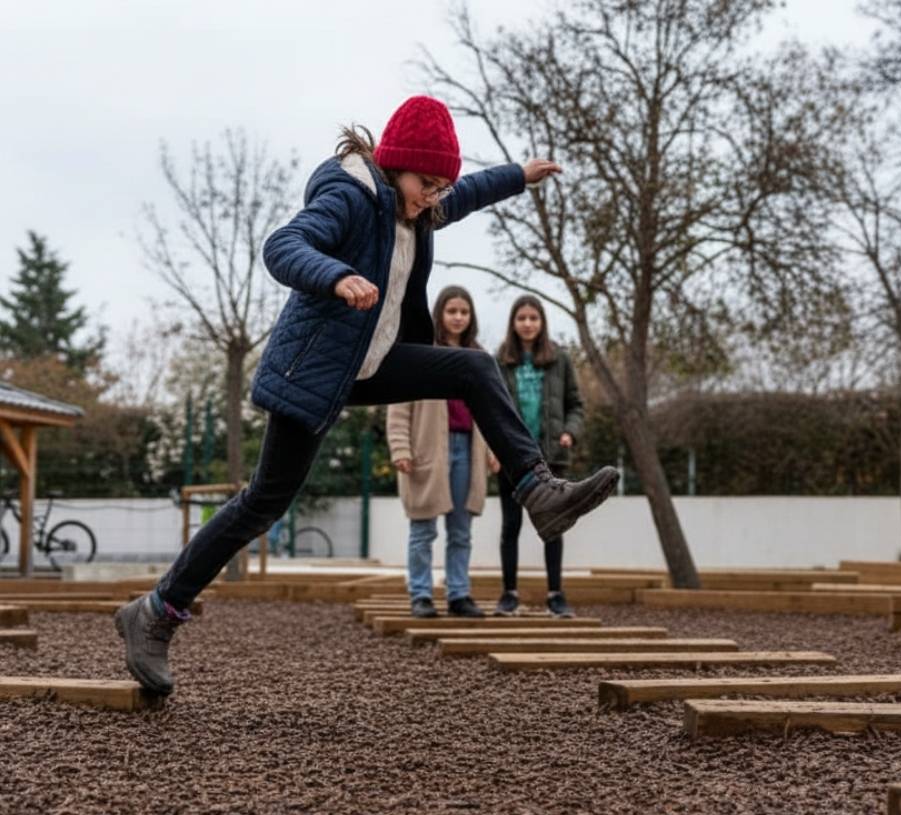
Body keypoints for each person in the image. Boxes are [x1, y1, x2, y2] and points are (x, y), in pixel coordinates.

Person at [115, 96, 619, 695]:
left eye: (439, 188)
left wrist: (519, 176)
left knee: (473, 367)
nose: (433, 198)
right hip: (317, 370)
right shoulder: (351, 196)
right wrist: (335, 275)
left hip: (375, 363)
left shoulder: (420, 206)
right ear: (394, 166)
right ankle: (155, 613)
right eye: (426, 185)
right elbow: (284, 244)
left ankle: (537, 489)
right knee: (263, 502)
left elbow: (467, 191)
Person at [387, 285, 492, 619]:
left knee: (461, 529)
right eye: (452, 311)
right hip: (427, 450)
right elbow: (399, 406)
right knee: (423, 527)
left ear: (470, 317)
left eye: (464, 312)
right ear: (440, 315)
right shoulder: (422, 352)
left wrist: (495, 449)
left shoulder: (479, 356)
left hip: (468, 450)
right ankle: (420, 594)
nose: (458, 317)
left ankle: (459, 594)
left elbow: (493, 410)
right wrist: (401, 448)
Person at [493, 295, 585, 619]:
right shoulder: (500, 359)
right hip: (511, 459)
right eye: (522, 318)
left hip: (551, 458)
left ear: (542, 321)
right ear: (513, 322)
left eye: (534, 318)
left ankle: (556, 596)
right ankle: (508, 595)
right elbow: (490, 409)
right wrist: (493, 448)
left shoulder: (559, 358)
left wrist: (570, 433)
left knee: (554, 526)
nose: (528, 324)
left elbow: (576, 405)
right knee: (511, 526)